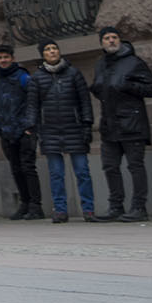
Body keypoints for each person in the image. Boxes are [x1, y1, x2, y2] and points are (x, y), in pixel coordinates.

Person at [90, 25, 152, 221]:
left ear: (120, 40)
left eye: (114, 37)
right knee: (110, 166)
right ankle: (115, 207)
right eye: (107, 38)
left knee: (135, 166)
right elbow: (103, 88)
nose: (111, 40)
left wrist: (129, 85)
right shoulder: (100, 64)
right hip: (109, 125)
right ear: (102, 43)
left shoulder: (134, 62)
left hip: (132, 124)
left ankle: (139, 208)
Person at [30, 40, 95, 223]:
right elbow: (32, 106)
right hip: (50, 130)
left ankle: (88, 209)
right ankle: (60, 210)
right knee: (56, 174)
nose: (52, 51)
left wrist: (87, 124)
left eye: (54, 48)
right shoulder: (37, 78)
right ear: (42, 54)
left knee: (82, 172)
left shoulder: (73, 73)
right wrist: (33, 128)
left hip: (74, 128)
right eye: (47, 49)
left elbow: (85, 101)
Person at [0, 44, 42, 220]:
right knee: (16, 169)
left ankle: (36, 205)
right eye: (0, 58)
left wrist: (29, 127)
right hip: (7, 133)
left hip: (24, 131)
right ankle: (25, 203)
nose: (3, 60)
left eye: (6, 57)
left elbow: (33, 103)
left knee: (28, 168)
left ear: (13, 59)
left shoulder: (24, 78)